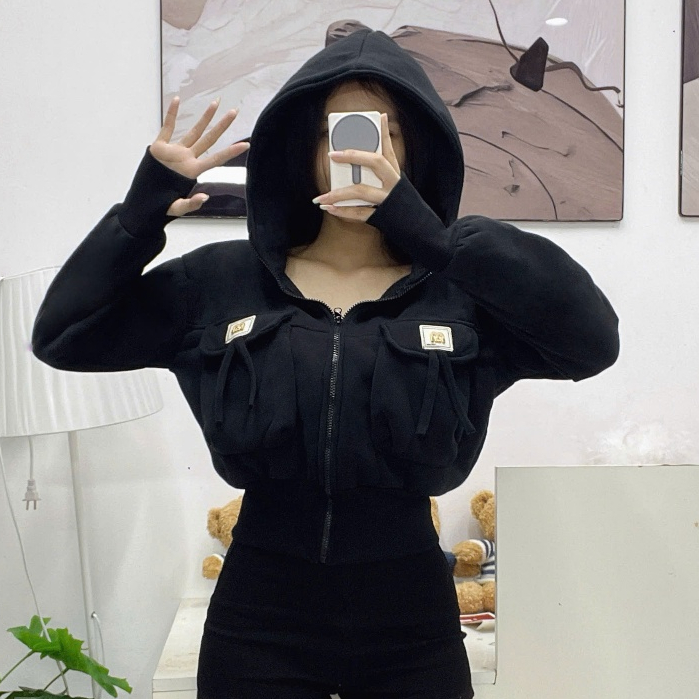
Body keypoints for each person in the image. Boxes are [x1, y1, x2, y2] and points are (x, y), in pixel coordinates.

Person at [31, 27, 620, 699]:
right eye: (333, 132)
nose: (357, 150)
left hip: (411, 621)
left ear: (415, 147)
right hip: (259, 620)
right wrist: (137, 218)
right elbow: (63, 337)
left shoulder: (461, 290)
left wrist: (436, 240)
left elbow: (591, 341)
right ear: (301, 149)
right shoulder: (221, 282)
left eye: (384, 132)